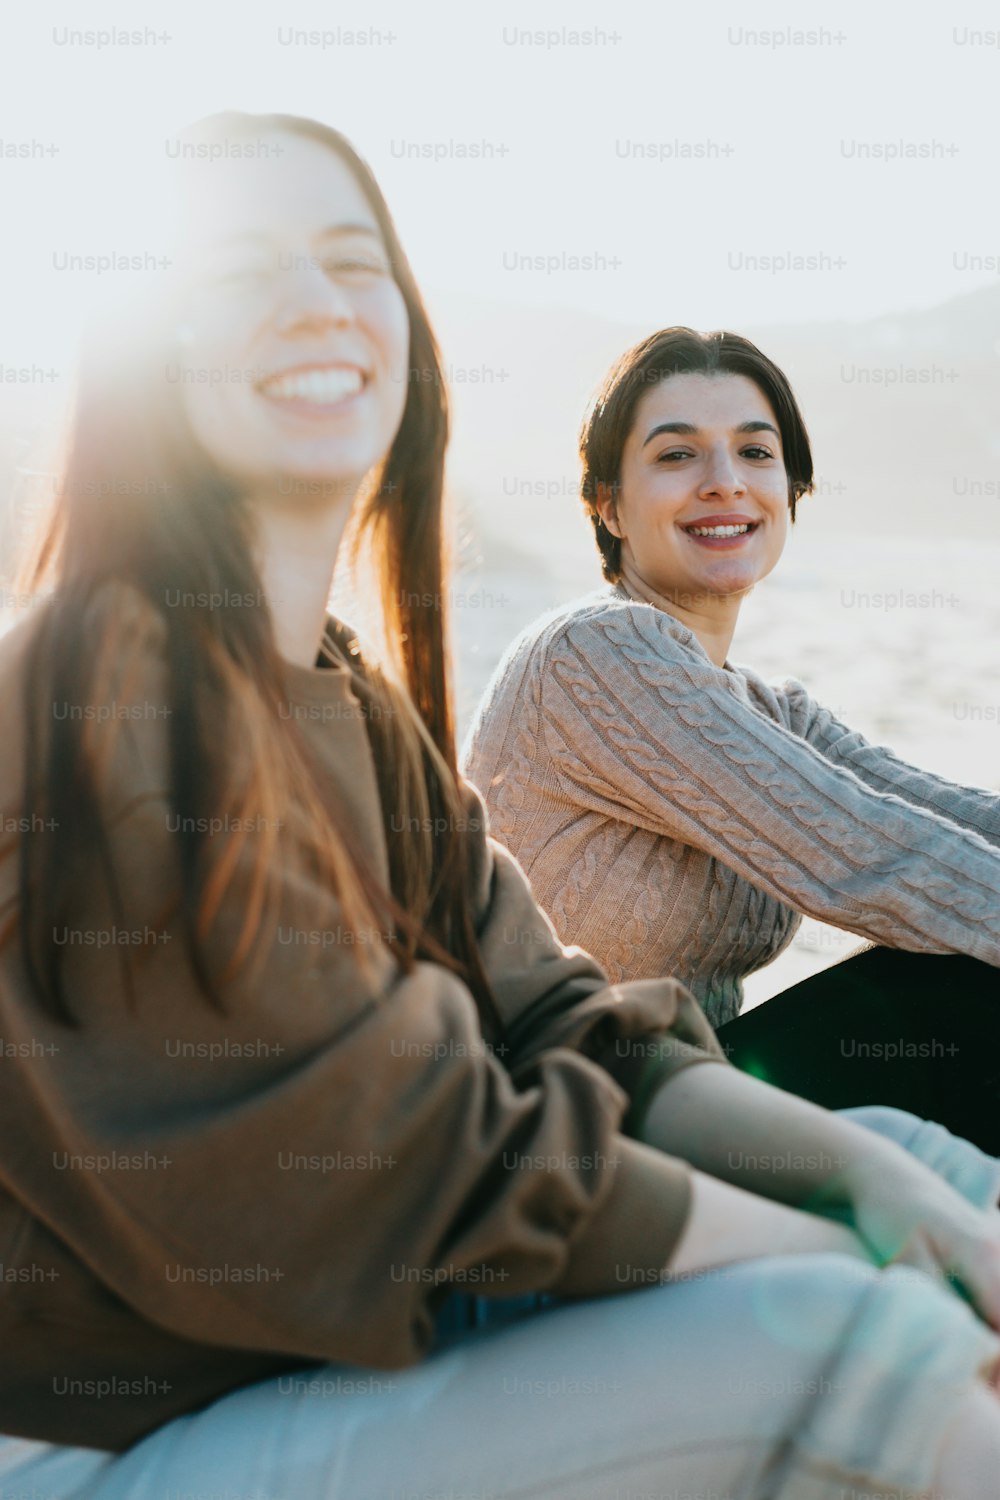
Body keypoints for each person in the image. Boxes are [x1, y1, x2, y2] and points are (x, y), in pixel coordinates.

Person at [2, 119, 1000, 1500]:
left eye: (354, 261)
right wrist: (845, 1249)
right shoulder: (102, 687)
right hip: (125, 1431)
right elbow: (413, 1169)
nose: (315, 300)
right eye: (240, 271)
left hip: (404, 1309)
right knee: (862, 1325)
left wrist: (878, 1190)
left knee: (917, 1168)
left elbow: (570, 1031)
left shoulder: (355, 703)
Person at [462, 326, 1000, 1153]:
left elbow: (939, 815)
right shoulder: (593, 653)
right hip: (567, 1125)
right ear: (607, 503)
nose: (724, 484)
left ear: (790, 491)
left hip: (694, 1092)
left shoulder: (764, 708)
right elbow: (870, 854)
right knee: (963, 990)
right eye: (677, 456)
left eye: (755, 452)